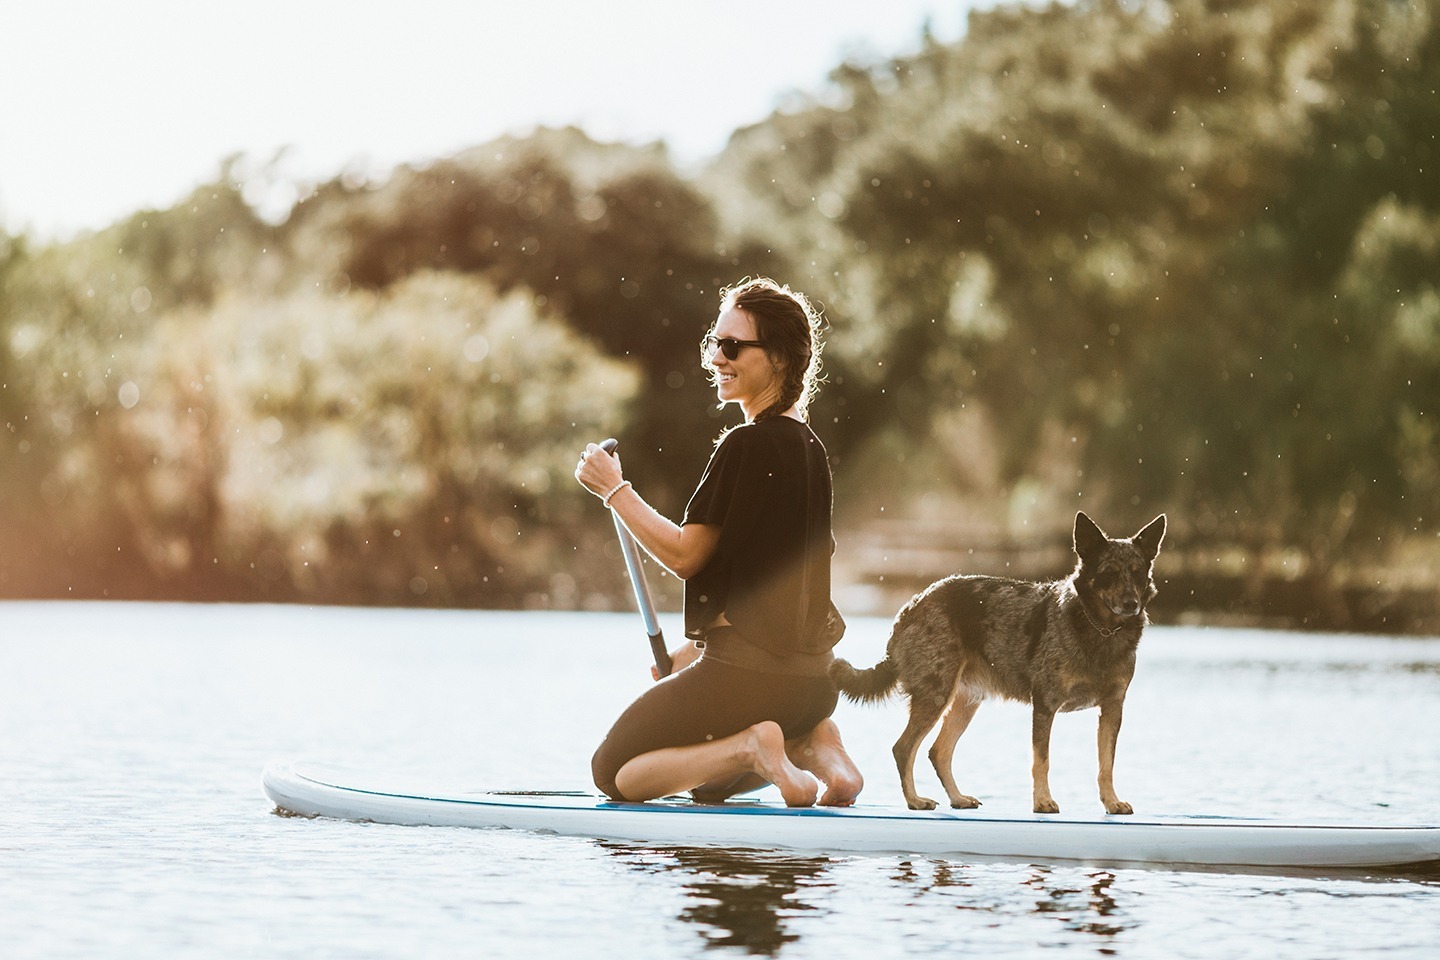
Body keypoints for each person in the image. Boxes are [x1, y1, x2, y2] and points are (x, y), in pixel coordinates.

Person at [574, 277, 864, 807]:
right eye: (714, 342)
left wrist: (615, 491)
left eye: (732, 347)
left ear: (777, 357)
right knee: (706, 786)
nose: (716, 358)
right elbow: (770, 590)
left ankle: (759, 748)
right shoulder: (810, 450)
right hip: (812, 686)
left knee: (615, 774)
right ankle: (816, 745)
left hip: (747, 680)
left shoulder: (744, 444)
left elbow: (689, 557)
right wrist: (689, 655)